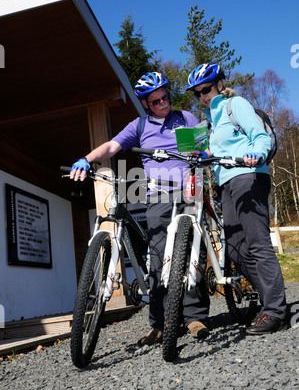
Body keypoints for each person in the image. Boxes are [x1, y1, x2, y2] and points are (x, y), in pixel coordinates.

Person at [70, 72, 210, 345]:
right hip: (157, 195)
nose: (163, 104)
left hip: (190, 188)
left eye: (165, 97)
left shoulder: (187, 118)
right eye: (155, 101)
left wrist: (201, 154)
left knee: (194, 252)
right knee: (157, 257)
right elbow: (112, 146)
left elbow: (205, 149)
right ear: (146, 103)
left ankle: (195, 317)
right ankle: (160, 323)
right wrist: (86, 159)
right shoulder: (139, 126)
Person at [186, 63, 287, 335]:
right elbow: (211, 152)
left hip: (249, 175)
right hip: (226, 183)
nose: (202, 96)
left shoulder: (235, 104)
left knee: (256, 242)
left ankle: (276, 311)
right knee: (235, 249)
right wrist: (198, 152)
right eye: (196, 94)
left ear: (219, 84)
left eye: (205, 89)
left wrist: (258, 154)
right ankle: (270, 302)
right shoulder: (208, 121)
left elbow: (260, 136)